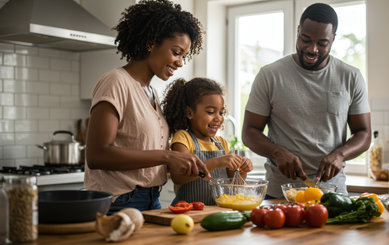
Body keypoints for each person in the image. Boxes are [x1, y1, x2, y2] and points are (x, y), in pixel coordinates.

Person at [84, 0, 210, 212]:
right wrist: (168, 157)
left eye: (184, 56)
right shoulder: (116, 81)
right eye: (176, 52)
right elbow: (97, 155)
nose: (180, 62)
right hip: (120, 202)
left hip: (152, 200)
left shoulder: (151, 92)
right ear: (151, 43)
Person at [242, 3, 371, 198]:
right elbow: (249, 132)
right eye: (305, 39)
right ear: (298, 31)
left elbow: (364, 133)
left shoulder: (351, 77)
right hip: (280, 195)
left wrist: (340, 155)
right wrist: (277, 152)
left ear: (333, 39)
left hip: (333, 194)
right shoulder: (270, 75)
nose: (312, 49)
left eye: (322, 43)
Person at [161, 77, 253, 205]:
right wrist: (216, 162)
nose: (218, 118)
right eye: (211, 112)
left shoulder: (222, 143)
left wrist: (242, 171)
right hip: (188, 212)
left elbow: (234, 187)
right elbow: (178, 177)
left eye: (221, 112)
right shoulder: (183, 138)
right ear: (189, 112)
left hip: (216, 213)